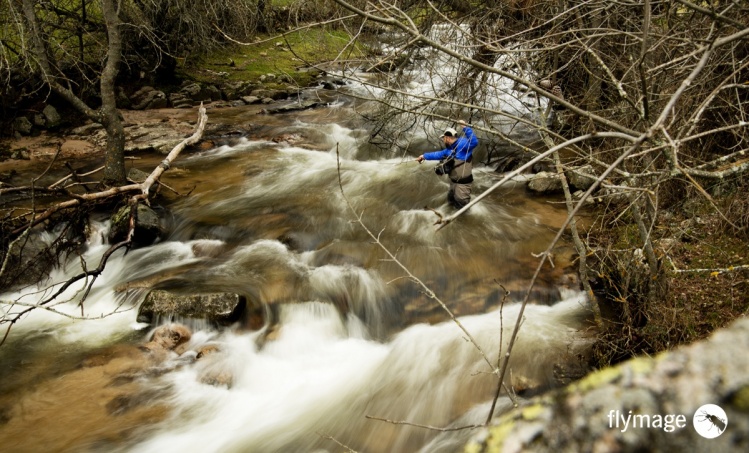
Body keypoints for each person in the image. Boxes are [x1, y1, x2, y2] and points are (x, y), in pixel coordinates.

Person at [416, 120, 478, 208]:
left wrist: (465, 127)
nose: (443, 140)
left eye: (444, 138)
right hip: (453, 182)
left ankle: (463, 220)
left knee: (462, 206)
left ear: (448, 138)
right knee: (451, 201)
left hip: (463, 184)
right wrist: (424, 156)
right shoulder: (449, 149)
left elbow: (474, 142)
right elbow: (438, 154)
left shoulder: (463, 144)